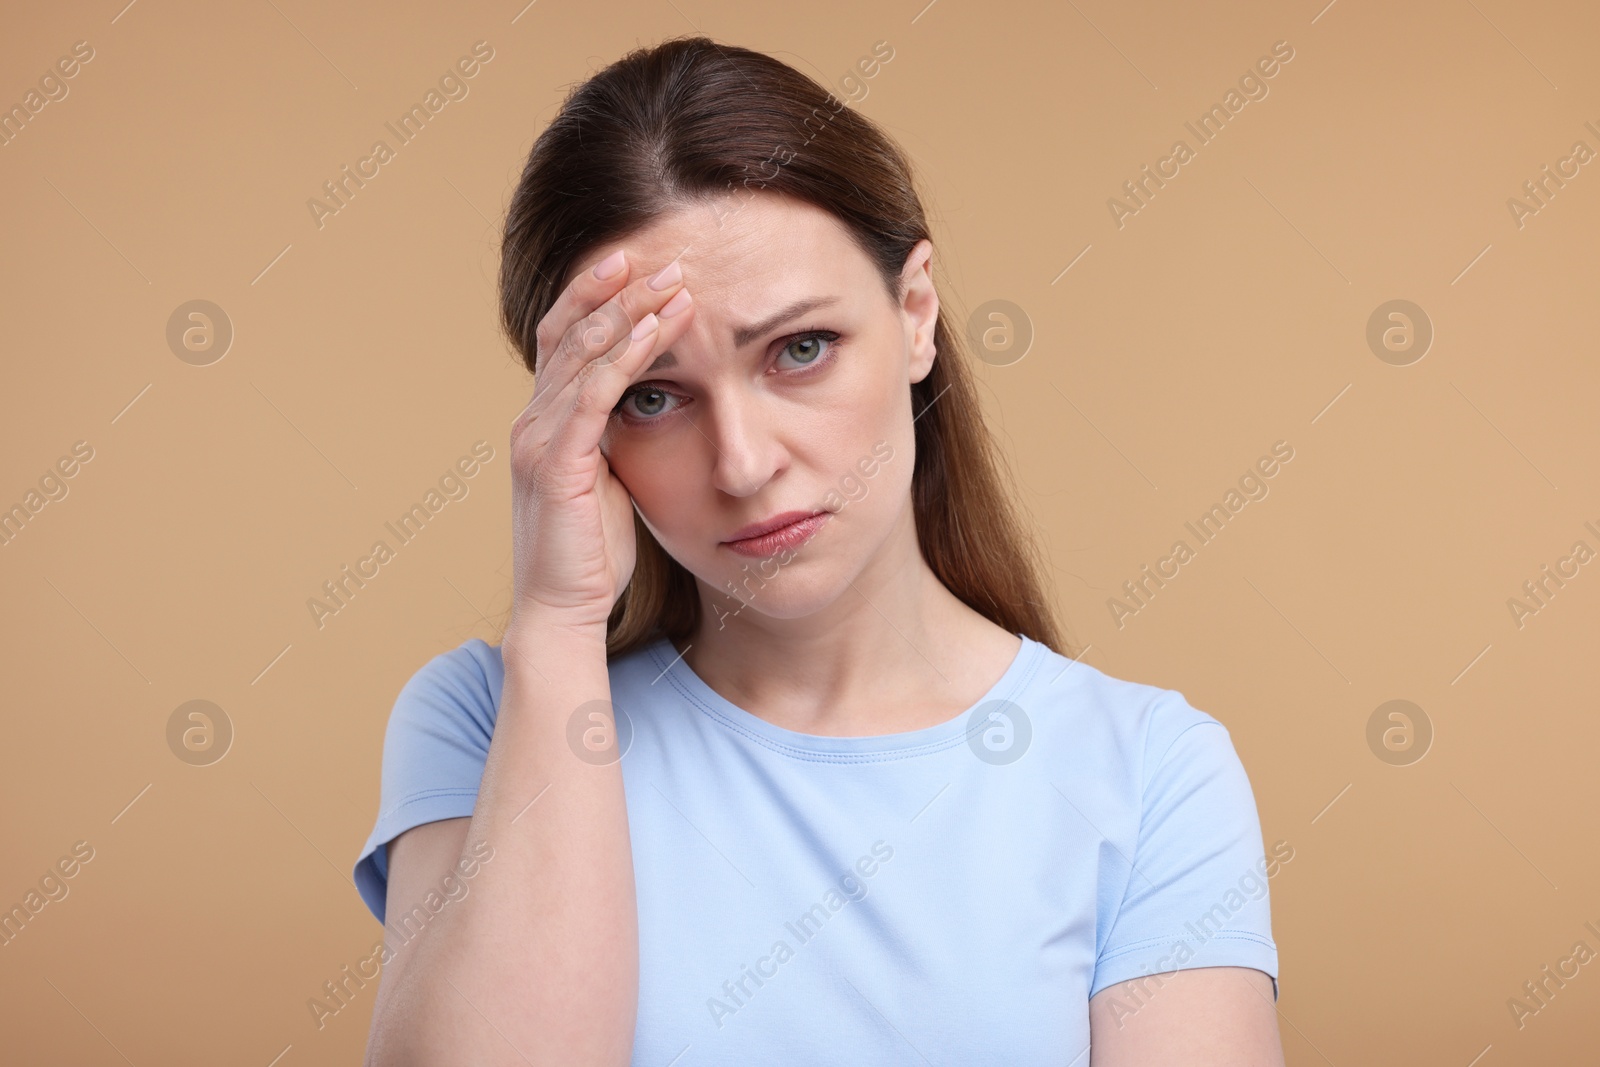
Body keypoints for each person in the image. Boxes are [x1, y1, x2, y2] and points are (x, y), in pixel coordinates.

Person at [351, 34, 1284, 1067]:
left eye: (800, 349)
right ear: (583, 422)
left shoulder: (1150, 771)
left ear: (915, 312)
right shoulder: (486, 721)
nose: (744, 464)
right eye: (651, 395)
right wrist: (560, 623)